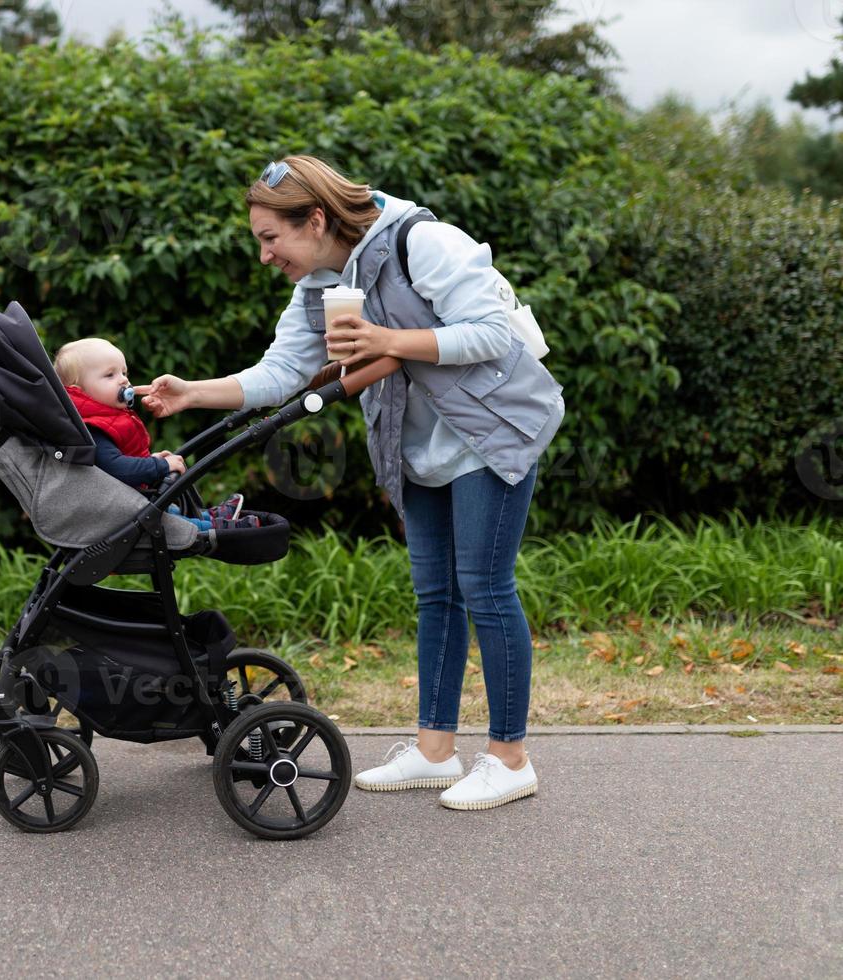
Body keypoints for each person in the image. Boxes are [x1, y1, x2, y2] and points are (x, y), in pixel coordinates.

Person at [135, 156, 565, 811]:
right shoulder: (321, 283)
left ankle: (510, 758)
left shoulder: (422, 242)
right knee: (436, 596)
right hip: (415, 449)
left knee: (484, 587)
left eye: (269, 238)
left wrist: (386, 340)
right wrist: (195, 394)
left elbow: (488, 333)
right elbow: (283, 370)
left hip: (490, 433)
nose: (264, 256)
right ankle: (434, 750)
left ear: (314, 218)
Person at [53, 338, 258, 529]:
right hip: (120, 514)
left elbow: (113, 463)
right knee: (174, 522)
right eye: (110, 375)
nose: (123, 381)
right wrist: (160, 466)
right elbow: (117, 468)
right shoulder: (92, 429)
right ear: (78, 391)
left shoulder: (106, 419)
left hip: (132, 501)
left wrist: (148, 460)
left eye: (124, 373)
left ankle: (211, 517)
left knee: (172, 512)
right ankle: (216, 527)